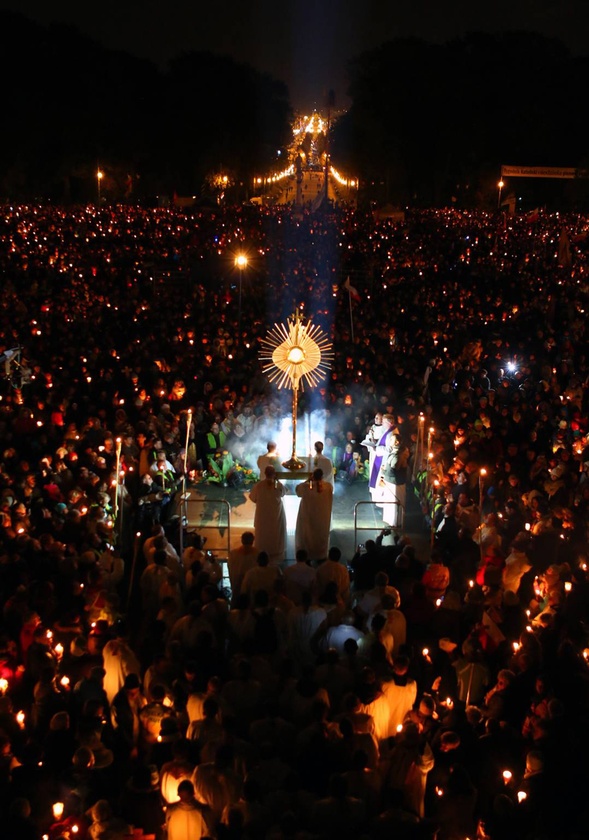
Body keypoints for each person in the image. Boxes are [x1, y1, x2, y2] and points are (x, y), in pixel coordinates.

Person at [248, 466, 287, 565]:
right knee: (275, 531)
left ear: (265, 473)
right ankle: (275, 551)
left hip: (263, 515)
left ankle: (262, 551)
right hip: (275, 515)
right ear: (274, 473)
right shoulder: (278, 485)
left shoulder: (259, 485)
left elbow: (252, 497)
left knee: (263, 532)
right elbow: (283, 493)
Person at [295, 468, 333, 562]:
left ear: (313, 476)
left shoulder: (306, 486)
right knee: (320, 535)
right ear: (322, 476)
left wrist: (308, 480)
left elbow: (297, 491)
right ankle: (320, 556)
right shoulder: (328, 486)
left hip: (308, 517)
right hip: (322, 517)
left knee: (307, 535)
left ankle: (306, 557)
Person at [382, 433, 410, 529]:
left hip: (396, 483)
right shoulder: (395, 452)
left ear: (397, 442)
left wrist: (384, 470)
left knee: (395, 504)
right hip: (391, 481)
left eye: (391, 439)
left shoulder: (399, 454)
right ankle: (391, 520)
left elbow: (395, 467)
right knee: (390, 503)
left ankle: (396, 521)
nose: (389, 441)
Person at [368, 413, 395, 504]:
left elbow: (389, 449)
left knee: (381, 481)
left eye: (383, 421)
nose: (382, 423)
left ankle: (380, 502)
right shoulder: (387, 430)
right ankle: (377, 500)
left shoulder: (392, 433)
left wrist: (377, 448)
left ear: (389, 423)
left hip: (383, 460)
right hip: (378, 456)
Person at [227, 531, 258, 604]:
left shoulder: (233, 553)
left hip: (237, 585)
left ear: (242, 540)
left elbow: (230, 569)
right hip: (252, 587)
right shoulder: (257, 553)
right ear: (253, 540)